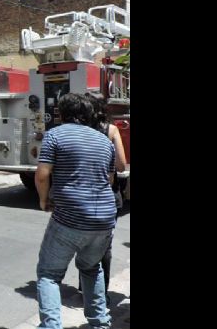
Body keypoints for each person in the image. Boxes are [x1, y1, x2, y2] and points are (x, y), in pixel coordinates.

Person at [35, 94, 116, 329]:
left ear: (61, 113)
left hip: (70, 217)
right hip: (104, 218)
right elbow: (109, 180)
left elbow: (42, 175)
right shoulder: (103, 141)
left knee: (49, 274)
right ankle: (100, 322)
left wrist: (43, 201)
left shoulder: (55, 135)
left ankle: (51, 326)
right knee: (92, 269)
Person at [82, 92, 127, 297]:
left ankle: (85, 288)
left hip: (82, 194)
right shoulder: (110, 130)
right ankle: (100, 292)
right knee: (104, 245)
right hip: (107, 195)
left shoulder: (77, 131)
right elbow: (120, 164)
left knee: (84, 243)